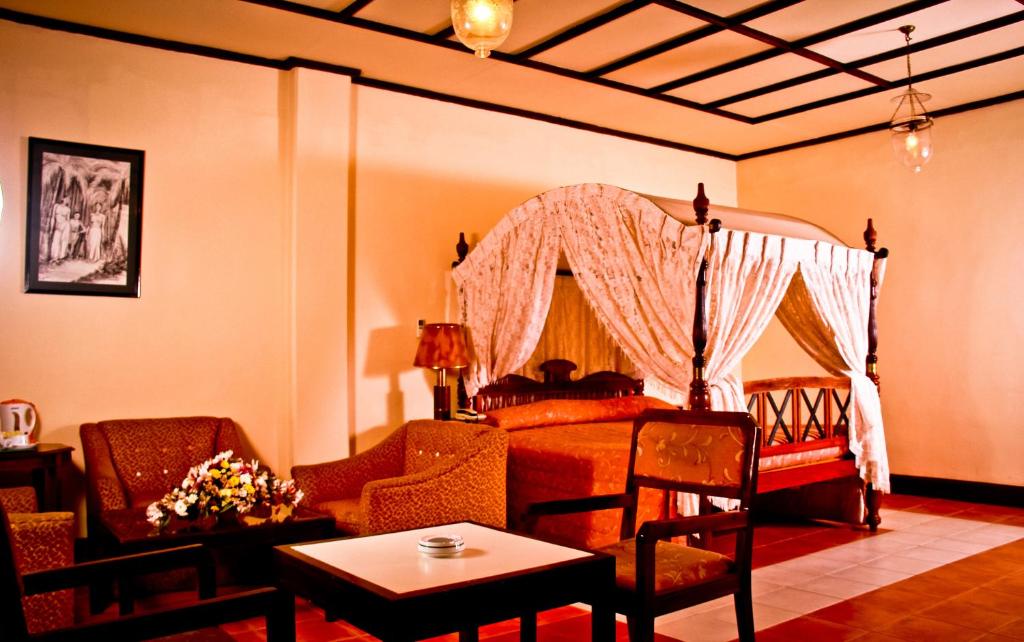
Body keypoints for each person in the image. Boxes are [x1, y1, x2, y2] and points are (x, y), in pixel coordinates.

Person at [49, 196, 71, 263]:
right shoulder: (56, 206)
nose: (67, 200)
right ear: (62, 199)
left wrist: (67, 228)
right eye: (66, 198)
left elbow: (68, 220)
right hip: (58, 224)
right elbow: (53, 217)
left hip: (65, 225)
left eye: (68, 199)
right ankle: (54, 257)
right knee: (56, 240)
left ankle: (59, 257)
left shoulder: (68, 209)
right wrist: (52, 227)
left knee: (63, 241)